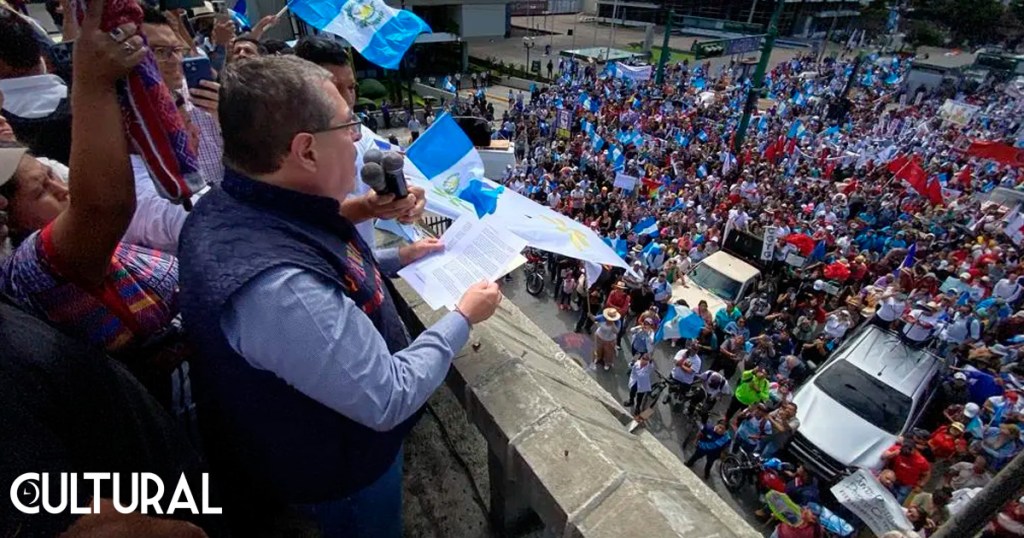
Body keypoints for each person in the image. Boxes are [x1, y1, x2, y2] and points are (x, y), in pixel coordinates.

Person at [176, 56, 502, 537]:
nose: (358, 142)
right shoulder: (279, 290)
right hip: (339, 480)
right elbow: (387, 395)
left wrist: (398, 257)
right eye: (348, 126)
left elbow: (325, 257)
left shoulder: (244, 203)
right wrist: (462, 318)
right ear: (305, 151)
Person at [0, 14, 181, 356]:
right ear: (7, 217)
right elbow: (103, 206)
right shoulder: (30, 270)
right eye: (40, 190)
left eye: (52, 174)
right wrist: (92, 80)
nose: (64, 189)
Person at [294, 36, 426, 247]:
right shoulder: (282, 146)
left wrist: (405, 196)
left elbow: (392, 167)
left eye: (352, 87)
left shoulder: (360, 133)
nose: (347, 98)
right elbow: (299, 214)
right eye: (335, 88)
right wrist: (366, 208)